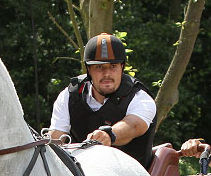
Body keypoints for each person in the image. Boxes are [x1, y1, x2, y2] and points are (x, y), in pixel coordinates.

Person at [48, 33, 158, 168]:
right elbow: (56, 138)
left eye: (113, 66)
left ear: (122, 67)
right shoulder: (69, 96)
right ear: (88, 69)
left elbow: (133, 125)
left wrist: (109, 135)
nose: (107, 74)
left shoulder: (140, 98)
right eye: (99, 67)